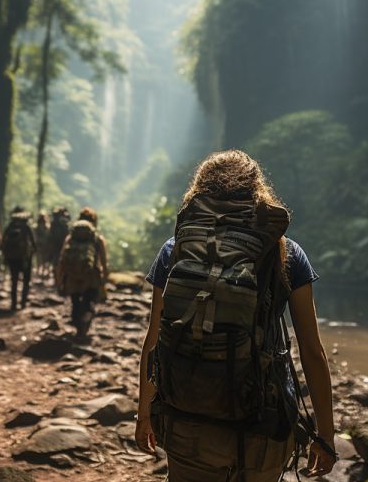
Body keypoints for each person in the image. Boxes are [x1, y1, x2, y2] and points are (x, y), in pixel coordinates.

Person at [134, 150, 336, 481]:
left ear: (199, 192)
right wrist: (324, 436)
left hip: (187, 419)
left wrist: (145, 413)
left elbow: (154, 339)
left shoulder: (175, 250)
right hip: (262, 425)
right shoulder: (287, 252)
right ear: (258, 193)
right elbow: (312, 352)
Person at [57, 207, 108, 340]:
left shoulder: (70, 238)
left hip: (72, 277)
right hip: (91, 277)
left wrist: (59, 280)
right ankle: (83, 329)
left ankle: (79, 329)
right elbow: (103, 261)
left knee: (75, 302)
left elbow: (62, 260)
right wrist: (104, 278)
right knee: (88, 302)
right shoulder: (98, 238)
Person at [2, 206, 36, 311]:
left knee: (14, 280)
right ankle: (23, 303)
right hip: (25, 257)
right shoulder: (26, 227)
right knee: (26, 281)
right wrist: (31, 252)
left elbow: (3, 241)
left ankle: (13, 304)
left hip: (13, 258)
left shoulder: (10, 226)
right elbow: (33, 243)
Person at [47, 207, 71, 287]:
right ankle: (60, 281)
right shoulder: (65, 221)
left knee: (56, 263)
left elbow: (50, 235)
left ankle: (57, 281)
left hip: (56, 246)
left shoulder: (54, 222)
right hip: (63, 246)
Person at [34, 212, 50, 278]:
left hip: (40, 244)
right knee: (43, 259)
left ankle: (40, 271)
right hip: (43, 244)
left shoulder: (36, 226)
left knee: (40, 259)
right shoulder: (47, 226)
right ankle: (42, 271)